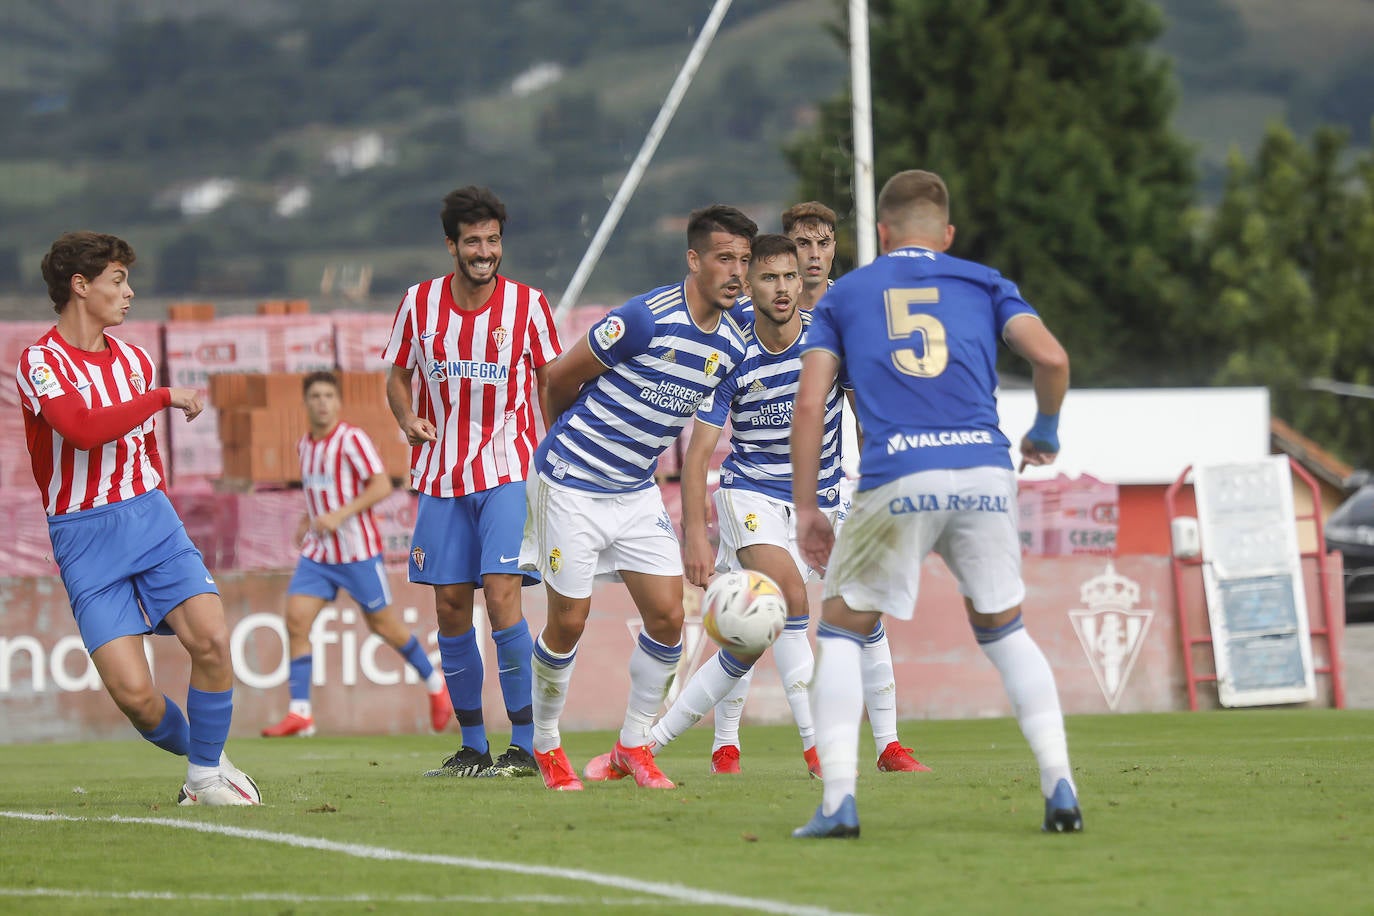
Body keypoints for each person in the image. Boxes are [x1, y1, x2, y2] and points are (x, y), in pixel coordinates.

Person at [790, 170, 1081, 838]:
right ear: (946, 235)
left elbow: (811, 403)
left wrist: (808, 508)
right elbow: (1054, 359)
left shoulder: (846, 295)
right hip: (984, 469)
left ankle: (839, 801)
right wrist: (1045, 432)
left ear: (883, 233)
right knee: (1006, 631)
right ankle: (1059, 783)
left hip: (899, 473)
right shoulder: (983, 281)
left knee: (838, 631)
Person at [15, 231, 257, 806]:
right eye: (118, 280)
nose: (130, 293)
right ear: (81, 286)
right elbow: (81, 427)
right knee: (136, 698)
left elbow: (145, 453)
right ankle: (210, 760)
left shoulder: (135, 361)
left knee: (212, 638)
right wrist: (165, 396)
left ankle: (202, 782)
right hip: (83, 538)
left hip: (150, 519)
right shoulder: (39, 363)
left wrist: (159, 510)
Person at [520, 204, 756, 790]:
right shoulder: (645, 319)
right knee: (568, 625)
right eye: (725, 258)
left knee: (670, 619)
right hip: (571, 483)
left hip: (634, 492)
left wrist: (694, 523)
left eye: (745, 261)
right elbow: (557, 378)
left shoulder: (729, 344)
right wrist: (568, 448)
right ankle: (546, 744)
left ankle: (632, 747)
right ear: (694, 260)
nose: (737, 272)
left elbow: (700, 441)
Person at [711, 203, 928, 775]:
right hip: (757, 492)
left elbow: (862, 405)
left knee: (865, 610)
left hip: (829, 495)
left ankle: (888, 744)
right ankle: (727, 743)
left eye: (821, 243)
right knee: (752, 615)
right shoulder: (746, 326)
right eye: (800, 244)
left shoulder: (846, 320)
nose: (810, 255)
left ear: (833, 250)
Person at [383, 186, 562, 778]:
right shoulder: (419, 303)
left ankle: (528, 744)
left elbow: (551, 383)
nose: (484, 251)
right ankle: (472, 747)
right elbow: (397, 377)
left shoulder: (529, 307)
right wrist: (407, 419)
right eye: (473, 242)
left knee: (502, 591)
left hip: (509, 468)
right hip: (439, 475)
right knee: (451, 605)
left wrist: (559, 453)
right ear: (451, 245)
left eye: (492, 240)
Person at [262, 371, 453, 738]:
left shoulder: (351, 440)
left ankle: (435, 684)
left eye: (328, 396)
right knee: (296, 620)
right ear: (306, 402)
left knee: (383, 626)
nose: (322, 402)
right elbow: (320, 492)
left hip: (356, 553)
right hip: (319, 554)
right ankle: (300, 713)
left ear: (338, 402)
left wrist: (339, 515)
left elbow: (382, 484)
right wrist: (309, 519)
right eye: (315, 396)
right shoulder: (305, 445)